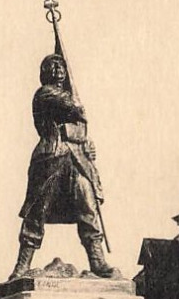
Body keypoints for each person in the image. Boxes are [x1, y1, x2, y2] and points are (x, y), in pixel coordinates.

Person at [9, 54, 115, 279]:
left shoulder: (68, 95)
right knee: (37, 211)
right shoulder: (44, 94)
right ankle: (21, 266)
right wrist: (76, 103)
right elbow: (71, 107)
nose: (58, 70)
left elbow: (80, 129)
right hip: (50, 156)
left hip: (76, 160)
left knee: (87, 203)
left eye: (61, 66)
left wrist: (88, 145)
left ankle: (97, 261)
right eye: (52, 66)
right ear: (44, 72)